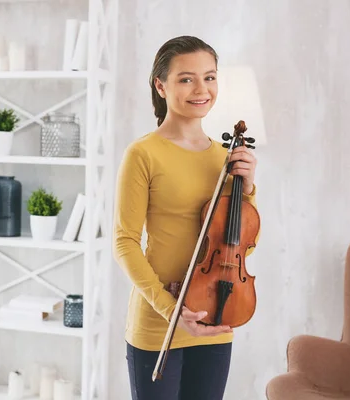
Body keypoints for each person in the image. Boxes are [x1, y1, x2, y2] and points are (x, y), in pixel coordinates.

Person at [112, 36, 259, 400]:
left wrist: (248, 186)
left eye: (210, 77)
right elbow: (124, 242)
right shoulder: (143, 153)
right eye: (186, 79)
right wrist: (170, 309)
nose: (201, 89)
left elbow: (237, 246)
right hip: (159, 322)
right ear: (161, 85)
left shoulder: (226, 160)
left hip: (217, 314)